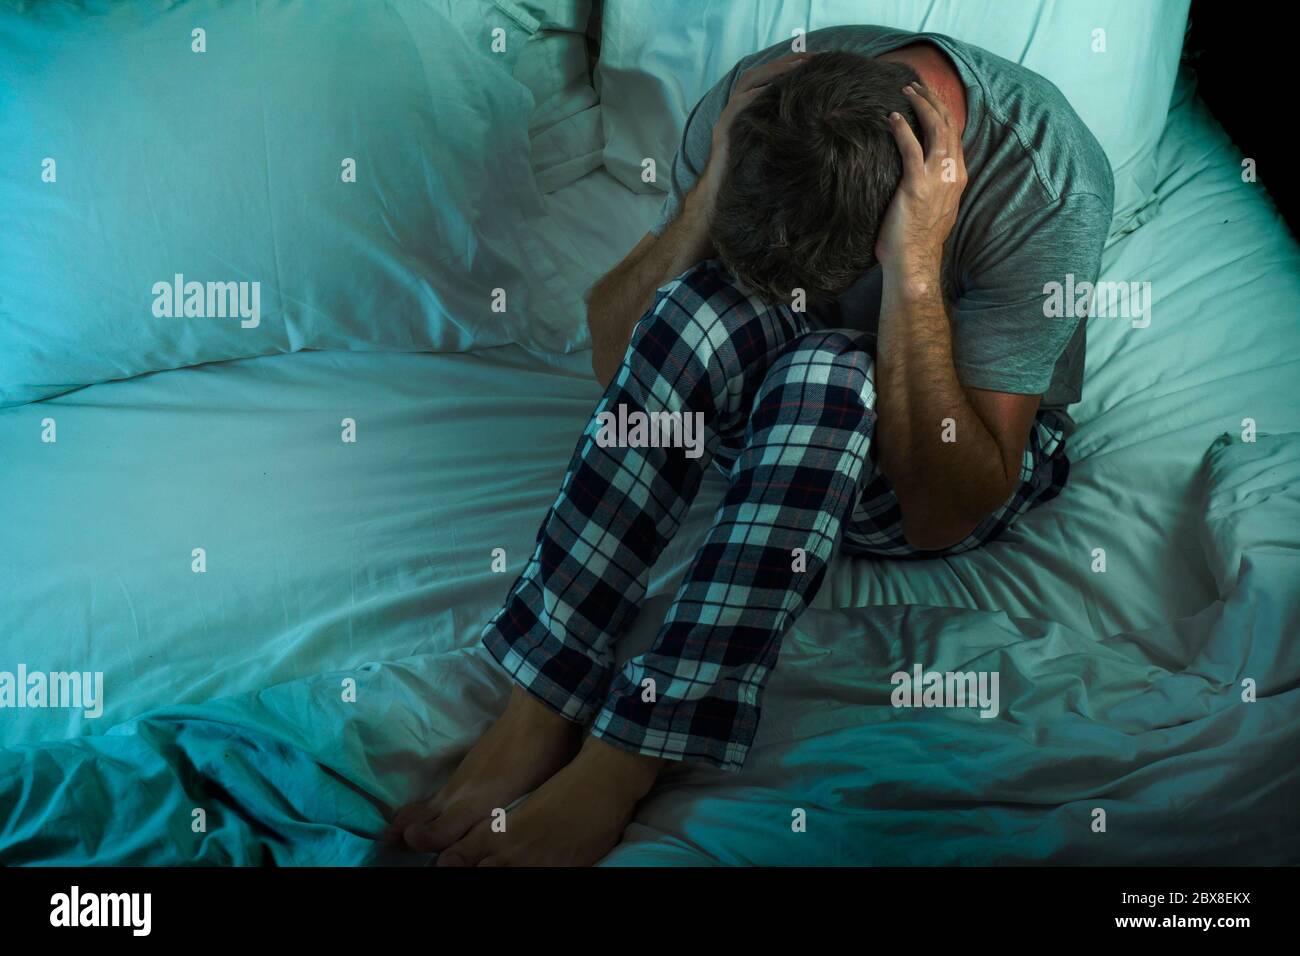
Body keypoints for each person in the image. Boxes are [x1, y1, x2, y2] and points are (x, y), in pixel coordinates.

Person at [388, 24, 1113, 866]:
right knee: (695, 310)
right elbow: (613, 359)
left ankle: (631, 754)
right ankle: (541, 699)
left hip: (940, 451)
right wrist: (707, 193)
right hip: (766, 426)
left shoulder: (1048, 183)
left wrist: (913, 267)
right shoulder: (760, 105)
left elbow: (948, 510)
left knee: (827, 371)